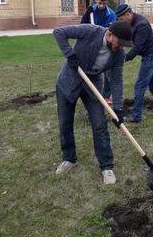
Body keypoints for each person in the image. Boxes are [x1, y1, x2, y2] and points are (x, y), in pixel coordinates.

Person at [53, 21, 133, 185]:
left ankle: (106, 166)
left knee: (99, 125)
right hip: (69, 81)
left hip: (93, 86)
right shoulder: (90, 31)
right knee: (65, 123)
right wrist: (70, 54)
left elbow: (116, 79)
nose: (121, 48)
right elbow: (59, 32)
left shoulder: (119, 54)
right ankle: (69, 158)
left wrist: (118, 108)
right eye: (120, 43)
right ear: (110, 35)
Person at [115, 4, 153, 122]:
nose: (123, 22)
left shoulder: (141, 25)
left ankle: (136, 115)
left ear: (128, 14)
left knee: (139, 86)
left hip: (151, 57)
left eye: (123, 19)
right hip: (150, 55)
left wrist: (124, 58)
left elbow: (138, 47)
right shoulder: (132, 22)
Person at [80, 0, 116, 101]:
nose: (101, 6)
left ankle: (106, 96)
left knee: (107, 71)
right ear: (96, 0)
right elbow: (82, 25)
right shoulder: (91, 11)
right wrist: (87, 13)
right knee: (91, 69)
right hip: (91, 45)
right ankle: (90, 93)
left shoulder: (111, 14)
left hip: (105, 45)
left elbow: (111, 30)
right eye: (100, 3)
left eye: (104, 4)